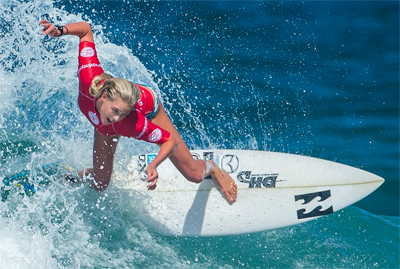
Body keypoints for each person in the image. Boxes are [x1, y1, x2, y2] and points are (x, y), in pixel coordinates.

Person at [39, 20, 237, 203]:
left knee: (194, 175)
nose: (115, 118)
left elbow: (170, 141)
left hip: (148, 106)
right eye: (115, 111)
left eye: (121, 114)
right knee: (100, 184)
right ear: (104, 95)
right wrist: (59, 31)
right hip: (123, 98)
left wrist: (154, 165)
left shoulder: (130, 122)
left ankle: (212, 166)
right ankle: (70, 177)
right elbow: (85, 30)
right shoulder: (89, 75)